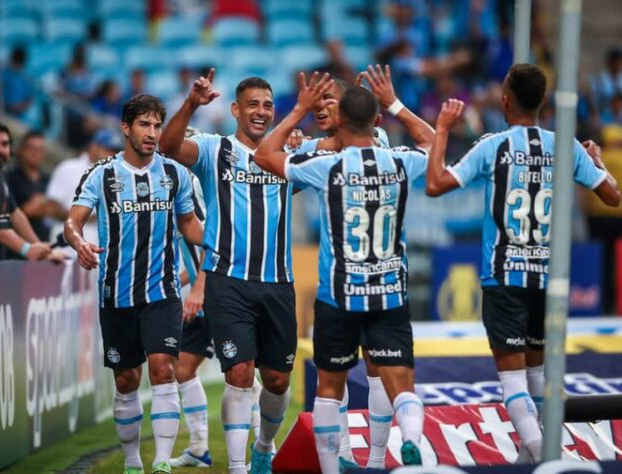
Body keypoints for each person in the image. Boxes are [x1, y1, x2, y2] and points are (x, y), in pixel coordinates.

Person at [425, 63, 621, 463]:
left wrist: (442, 129)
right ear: (544, 103)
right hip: (545, 280)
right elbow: (613, 197)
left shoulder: (493, 146)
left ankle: (547, 456)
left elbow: (436, 184)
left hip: (503, 277)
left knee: (512, 380)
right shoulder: (565, 145)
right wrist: (597, 162)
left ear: (504, 100)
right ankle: (530, 455)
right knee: (536, 375)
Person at [255, 74, 433, 472]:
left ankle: (354, 462)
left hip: (339, 292)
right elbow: (432, 145)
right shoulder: (393, 157)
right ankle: (382, 452)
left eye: (328, 102)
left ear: (346, 113)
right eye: (316, 106)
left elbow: (266, 156)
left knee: (334, 384)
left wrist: (297, 110)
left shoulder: (323, 164)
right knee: (396, 378)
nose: (320, 108)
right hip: (388, 290)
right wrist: (395, 103)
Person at [160, 70, 296, 474]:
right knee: (239, 372)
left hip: (278, 283)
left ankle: (264, 446)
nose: (261, 111)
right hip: (227, 280)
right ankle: (238, 468)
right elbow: (167, 147)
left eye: (268, 105)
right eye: (252, 104)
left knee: (276, 380)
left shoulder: (289, 156)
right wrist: (191, 104)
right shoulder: (213, 149)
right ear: (236, 109)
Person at [65, 94, 204, 474]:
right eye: (145, 125)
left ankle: (161, 461)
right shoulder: (102, 174)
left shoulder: (174, 173)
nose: (153, 133)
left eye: (158, 126)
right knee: (127, 379)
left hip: (162, 292)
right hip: (117, 293)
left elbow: (188, 223)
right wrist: (79, 243)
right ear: (126, 128)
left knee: (163, 369)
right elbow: (72, 222)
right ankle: (131, 461)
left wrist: (215, 243)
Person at [170, 163, 263, 469]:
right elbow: (195, 251)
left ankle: (266, 447)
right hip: (203, 289)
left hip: (219, 291)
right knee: (182, 369)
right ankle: (198, 449)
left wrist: (199, 287)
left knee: (242, 374)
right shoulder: (176, 188)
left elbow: (217, 244)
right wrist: (181, 282)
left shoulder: (194, 189)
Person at [0, 121, 60, 264]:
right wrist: (26, 249)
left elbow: (15, 214)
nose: (0, 150)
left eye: (5, 144)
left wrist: (41, 248)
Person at [45, 128, 123, 252]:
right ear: (94, 147)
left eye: (115, 151)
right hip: (65, 239)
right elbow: (51, 207)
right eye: (108, 150)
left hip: (98, 242)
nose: (111, 155)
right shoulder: (68, 167)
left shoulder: (115, 175)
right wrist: (82, 216)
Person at [5, 131, 51, 242]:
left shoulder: (48, 179)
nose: (36, 153)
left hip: (44, 240)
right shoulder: (9, 178)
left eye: (40, 150)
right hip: (16, 242)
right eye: (32, 149)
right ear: (21, 150)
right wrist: (26, 210)